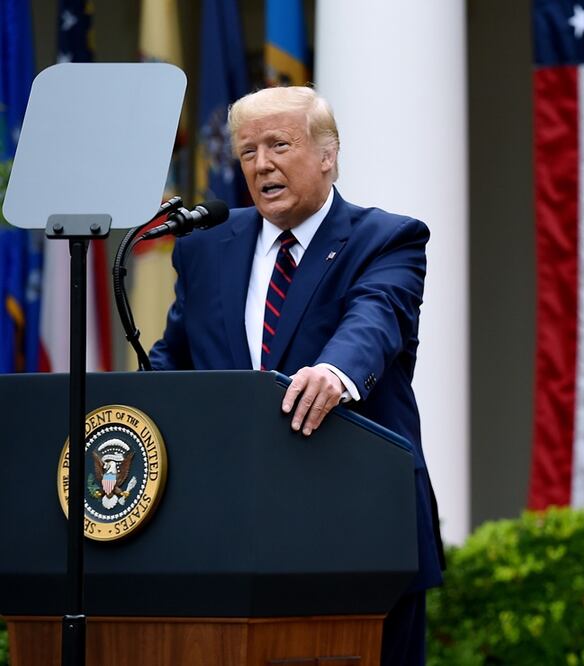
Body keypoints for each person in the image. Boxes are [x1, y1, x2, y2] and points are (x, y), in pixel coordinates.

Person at [150, 85, 444, 665]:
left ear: (328, 154)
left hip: (359, 526)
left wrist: (335, 371)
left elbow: (376, 317)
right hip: (229, 535)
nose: (262, 165)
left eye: (279, 145)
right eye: (248, 152)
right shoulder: (205, 247)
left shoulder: (386, 239)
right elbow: (174, 360)